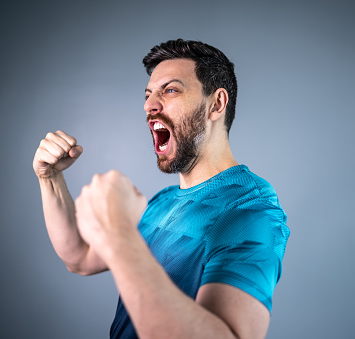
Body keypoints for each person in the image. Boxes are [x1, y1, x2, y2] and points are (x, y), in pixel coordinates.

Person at [32, 39, 289, 339]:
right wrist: (48, 178)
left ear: (216, 104)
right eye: (148, 94)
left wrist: (122, 238)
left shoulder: (251, 212)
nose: (149, 105)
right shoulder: (163, 203)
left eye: (170, 90)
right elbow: (79, 256)